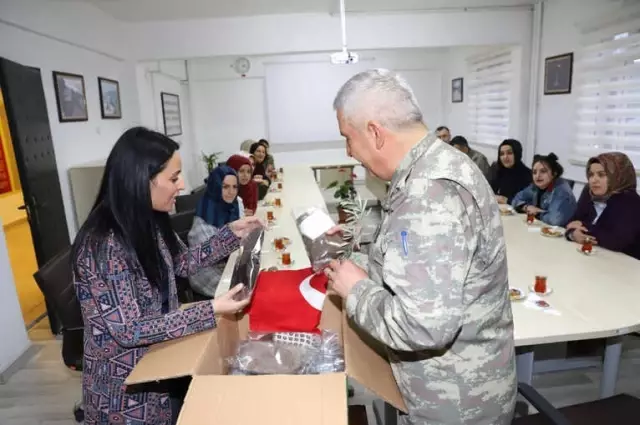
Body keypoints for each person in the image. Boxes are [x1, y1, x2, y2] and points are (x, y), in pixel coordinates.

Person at [325, 69, 516, 425]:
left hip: (454, 406)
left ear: (375, 132)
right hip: (455, 391)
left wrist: (356, 290)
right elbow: (413, 267)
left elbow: (424, 326)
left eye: (348, 138)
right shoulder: (437, 165)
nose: (349, 152)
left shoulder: (428, 192)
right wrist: (356, 259)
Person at [72, 127, 262, 425]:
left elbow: (181, 263)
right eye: (174, 178)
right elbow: (130, 331)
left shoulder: (148, 220)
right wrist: (210, 309)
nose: (182, 185)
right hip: (125, 392)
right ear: (141, 180)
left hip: (160, 363)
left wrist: (230, 235)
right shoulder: (105, 245)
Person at [565, 152, 640, 260]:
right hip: (592, 257)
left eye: (601, 175)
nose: (593, 180)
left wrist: (583, 226)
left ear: (618, 176)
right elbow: (571, 223)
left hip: (624, 263)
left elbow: (615, 241)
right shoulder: (589, 192)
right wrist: (572, 234)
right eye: (591, 175)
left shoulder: (631, 201)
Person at [188, 165, 245, 298]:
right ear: (216, 187)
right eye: (225, 187)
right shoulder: (204, 217)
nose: (231, 192)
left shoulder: (232, 207)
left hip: (228, 264)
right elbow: (210, 256)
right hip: (208, 274)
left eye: (234, 187)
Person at [511, 153, 577, 227]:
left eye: (543, 171)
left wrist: (537, 212)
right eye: (534, 172)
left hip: (560, 231)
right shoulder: (535, 186)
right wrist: (526, 207)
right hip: (542, 228)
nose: (537, 176)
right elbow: (515, 199)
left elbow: (555, 220)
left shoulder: (562, 190)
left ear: (554, 173)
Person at [488, 139, 532, 204]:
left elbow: (526, 201)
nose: (505, 157)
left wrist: (506, 200)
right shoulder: (498, 171)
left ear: (517, 154)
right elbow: (489, 192)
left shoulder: (527, 175)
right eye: (502, 154)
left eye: (509, 153)